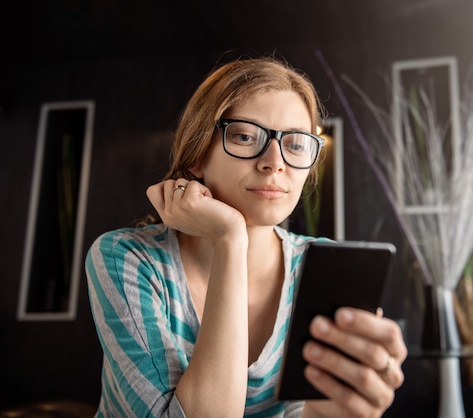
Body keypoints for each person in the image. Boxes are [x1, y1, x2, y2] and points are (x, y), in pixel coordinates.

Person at [85, 55, 407, 418]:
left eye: (296, 144)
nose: (275, 161)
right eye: (243, 136)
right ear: (197, 155)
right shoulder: (126, 257)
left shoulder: (325, 268)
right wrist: (230, 239)